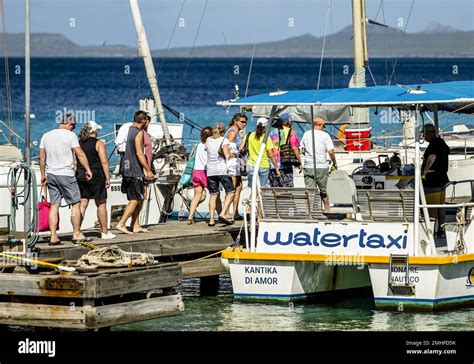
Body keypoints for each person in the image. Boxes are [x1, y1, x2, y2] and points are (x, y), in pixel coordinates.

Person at [39, 113, 93, 245]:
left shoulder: (46, 135)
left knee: (54, 205)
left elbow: (42, 158)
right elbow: (79, 153)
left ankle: (53, 237)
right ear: (69, 124)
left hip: (51, 174)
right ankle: (76, 234)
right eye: (73, 126)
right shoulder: (70, 135)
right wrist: (88, 169)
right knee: (76, 204)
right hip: (66, 174)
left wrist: (43, 174)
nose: (73, 129)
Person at [115, 110, 154, 235]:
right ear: (143, 120)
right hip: (134, 170)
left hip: (127, 167)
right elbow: (139, 152)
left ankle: (136, 225)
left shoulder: (130, 129)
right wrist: (148, 169)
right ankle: (121, 223)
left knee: (140, 197)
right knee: (136, 198)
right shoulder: (139, 133)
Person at [77, 121, 115, 240]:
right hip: (97, 175)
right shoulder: (99, 143)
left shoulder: (79, 143)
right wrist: (108, 177)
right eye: (98, 130)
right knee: (101, 204)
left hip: (82, 174)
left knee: (82, 204)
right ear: (93, 131)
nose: (99, 132)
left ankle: (77, 231)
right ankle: (104, 233)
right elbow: (104, 161)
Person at [301, 117, 337, 213]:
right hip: (321, 166)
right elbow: (331, 152)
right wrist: (334, 162)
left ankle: (308, 212)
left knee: (309, 192)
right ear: (321, 125)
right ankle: (327, 209)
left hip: (308, 166)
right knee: (324, 191)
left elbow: (302, 149)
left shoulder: (306, 134)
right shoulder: (325, 135)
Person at [421, 123, 450, 238]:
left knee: (432, 206)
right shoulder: (441, 143)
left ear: (431, 133)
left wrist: (425, 171)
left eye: (425, 134)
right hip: (442, 179)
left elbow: (432, 157)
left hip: (433, 180)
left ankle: (432, 232)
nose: (424, 136)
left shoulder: (434, 144)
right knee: (440, 206)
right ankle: (441, 230)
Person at [205, 122, 235, 226]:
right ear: (223, 131)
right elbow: (226, 155)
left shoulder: (208, 140)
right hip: (221, 170)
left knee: (213, 195)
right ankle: (222, 213)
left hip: (210, 171)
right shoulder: (224, 140)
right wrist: (234, 155)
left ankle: (211, 220)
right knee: (231, 192)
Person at [222, 112, 248, 221]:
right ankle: (227, 213)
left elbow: (238, 148)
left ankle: (235, 213)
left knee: (239, 186)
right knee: (231, 189)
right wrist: (237, 154)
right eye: (242, 122)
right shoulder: (232, 133)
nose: (244, 124)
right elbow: (226, 149)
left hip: (235, 163)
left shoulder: (236, 132)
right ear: (235, 121)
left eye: (245, 122)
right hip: (231, 163)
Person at [187, 126, 213, 224]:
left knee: (197, 195)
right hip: (205, 172)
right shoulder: (209, 146)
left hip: (196, 172)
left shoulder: (197, 145)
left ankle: (190, 216)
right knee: (214, 195)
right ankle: (214, 216)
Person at [244, 117, 280, 189]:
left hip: (251, 165)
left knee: (253, 188)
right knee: (262, 188)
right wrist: (276, 167)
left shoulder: (249, 135)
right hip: (263, 165)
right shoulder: (266, 138)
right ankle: (255, 199)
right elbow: (271, 155)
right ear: (266, 127)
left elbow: (240, 148)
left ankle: (252, 199)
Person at [268, 113, 302, 187]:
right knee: (288, 189)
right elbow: (294, 147)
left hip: (273, 165)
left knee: (275, 190)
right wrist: (299, 161)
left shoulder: (272, 132)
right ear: (288, 121)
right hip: (285, 163)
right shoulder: (290, 131)